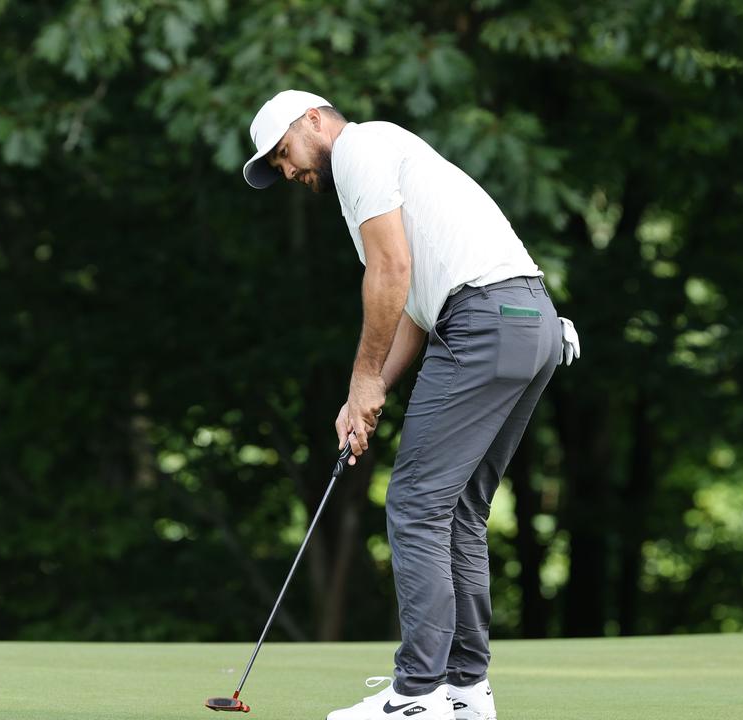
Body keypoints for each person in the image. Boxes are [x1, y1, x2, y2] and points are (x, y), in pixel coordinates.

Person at [242, 90, 579, 720]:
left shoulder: (361, 148)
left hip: (484, 321)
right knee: (457, 512)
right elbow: (414, 313)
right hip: (529, 322)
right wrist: (364, 392)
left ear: (313, 120)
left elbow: (391, 273)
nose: (286, 171)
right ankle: (465, 692)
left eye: (284, 153)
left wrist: (364, 381)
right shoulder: (382, 161)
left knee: (416, 503)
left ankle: (416, 696)